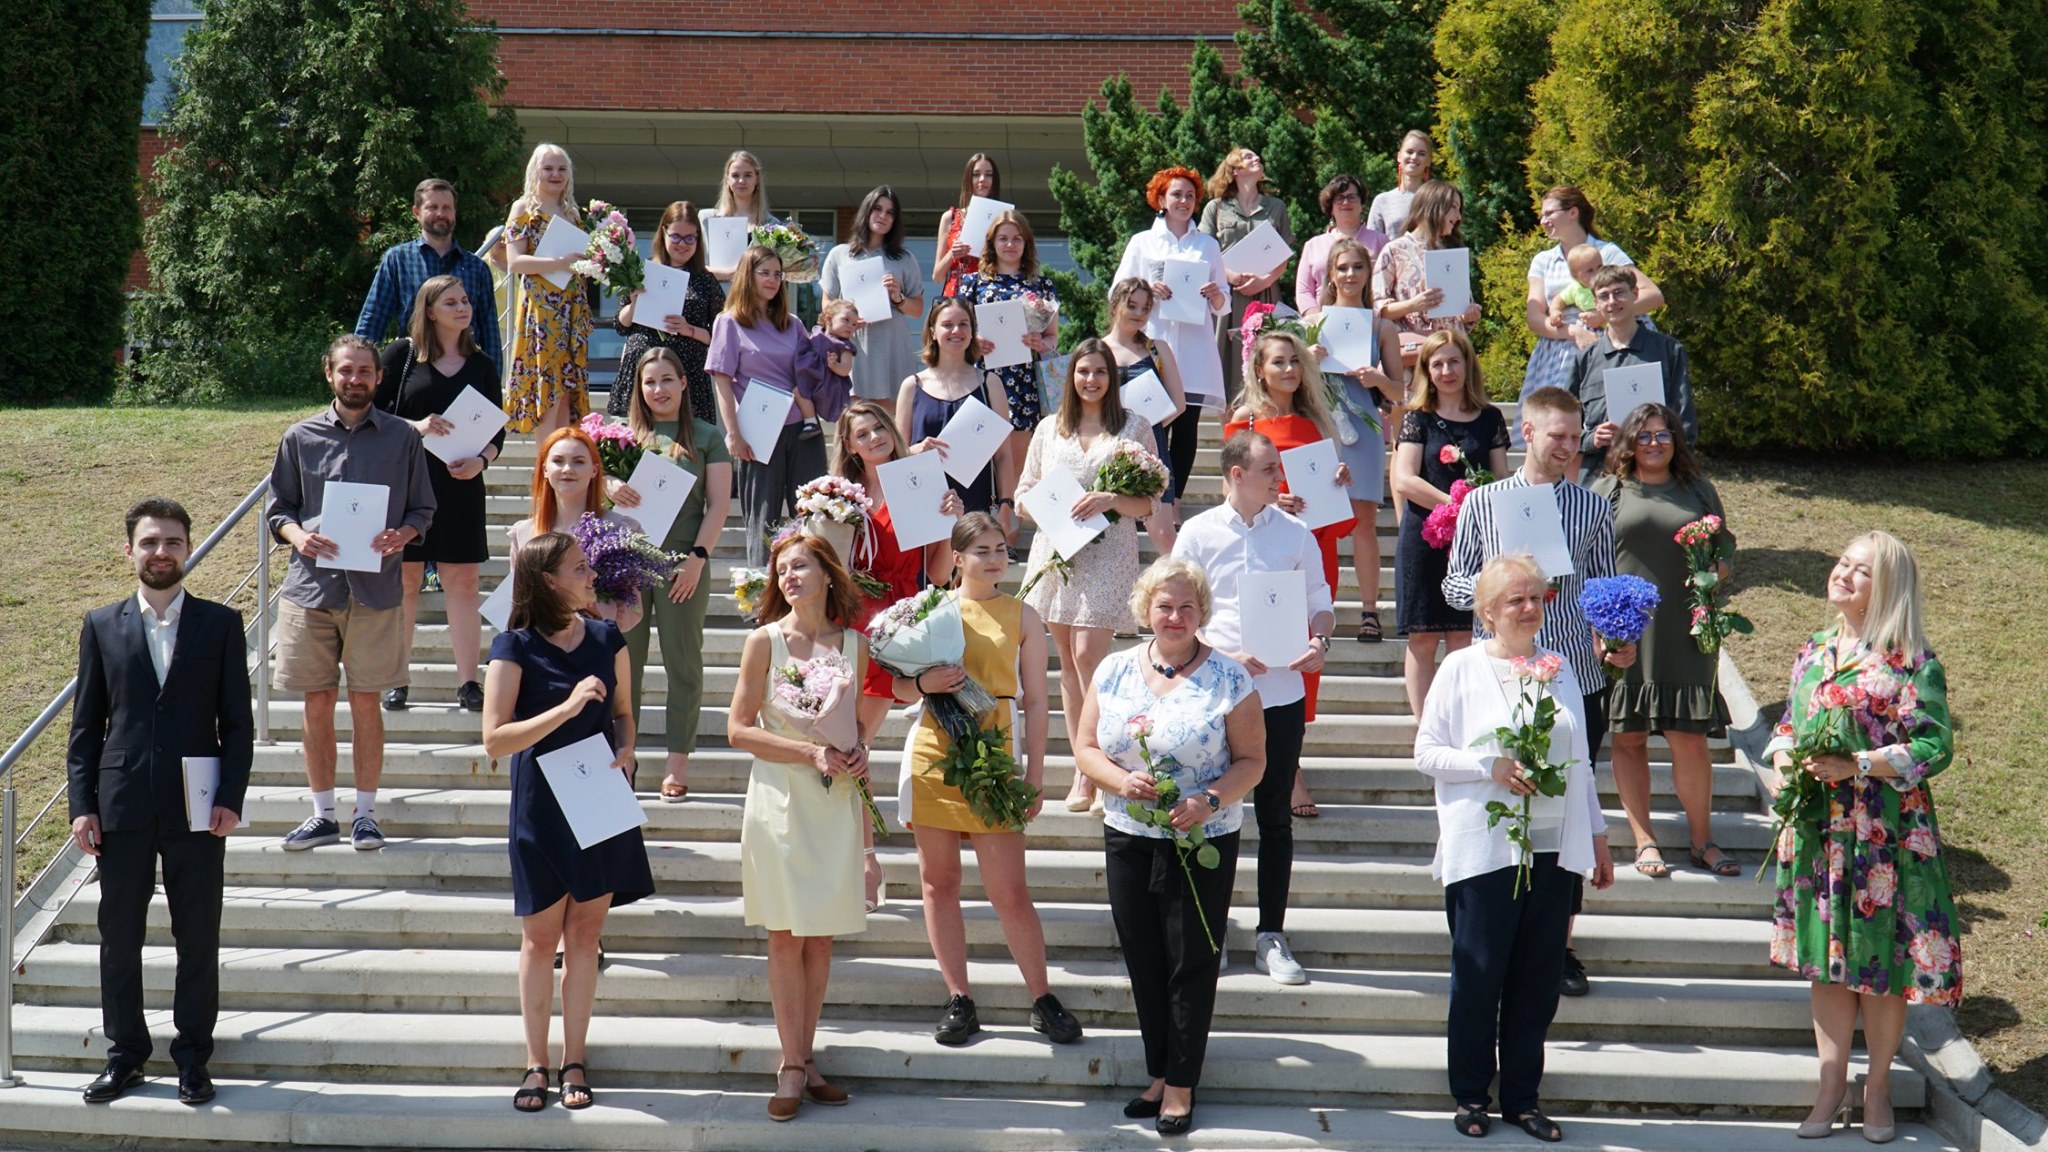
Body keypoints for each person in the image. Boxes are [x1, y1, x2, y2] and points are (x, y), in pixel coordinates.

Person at [1765, 532, 1958, 1143]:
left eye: (1862, 570)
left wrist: (1861, 764)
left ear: (1889, 587)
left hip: (1882, 835)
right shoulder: (1814, 649)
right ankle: (1831, 1087)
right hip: (1819, 830)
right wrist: (1782, 760)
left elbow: (1935, 745)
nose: (1844, 573)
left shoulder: (1911, 660)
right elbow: (1789, 723)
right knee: (1826, 966)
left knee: (1879, 965)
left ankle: (1876, 1089)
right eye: (1843, 563)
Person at [1415, 553, 1614, 1144]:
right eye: (1515, 599)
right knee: (1479, 978)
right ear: (1486, 612)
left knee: (1537, 982)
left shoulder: (1561, 669)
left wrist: (1598, 835)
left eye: (1536, 597)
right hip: (1486, 849)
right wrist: (1490, 766)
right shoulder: (1461, 668)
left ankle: (1523, 1099)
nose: (1529, 608)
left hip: (1553, 848)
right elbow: (1427, 751)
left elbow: (1580, 764)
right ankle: (1472, 1095)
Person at [1441, 386, 1631, 995]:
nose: (1570, 447)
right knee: (1502, 802)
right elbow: (1453, 584)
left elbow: (1602, 588)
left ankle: (1559, 946)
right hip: (1496, 681)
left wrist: (1616, 639)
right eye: (1558, 436)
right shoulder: (1483, 502)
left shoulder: (1591, 507)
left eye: (1576, 437)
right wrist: (1501, 589)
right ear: (1527, 433)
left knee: (1567, 809)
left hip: (1573, 677)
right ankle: (1490, 935)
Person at [1072, 556, 1266, 1136]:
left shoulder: (1231, 678)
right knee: (1144, 958)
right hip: (1128, 835)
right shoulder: (1113, 670)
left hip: (1201, 837)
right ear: (1145, 610)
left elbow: (1254, 761)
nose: (1175, 616)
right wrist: (1117, 781)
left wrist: (1209, 799)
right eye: (1164, 606)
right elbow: (1085, 747)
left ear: (1202, 612)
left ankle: (1181, 1084)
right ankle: (1158, 1071)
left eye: (1186, 606)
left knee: (1191, 960)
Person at [66, 498, 251, 1107]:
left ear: (188, 548)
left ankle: (193, 1059)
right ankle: (125, 1056)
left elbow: (238, 724)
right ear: (130, 551)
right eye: (149, 542)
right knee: (119, 938)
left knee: (197, 937)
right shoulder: (101, 625)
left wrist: (231, 797)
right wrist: (82, 804)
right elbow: (86, 727)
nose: (161, 552)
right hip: (121, 806)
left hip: (198, 806)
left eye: (172, 541)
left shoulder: (221, 624)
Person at [889, 513, 1080, 1049]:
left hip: (995, 753)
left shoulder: (1023, 614)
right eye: (983, 551)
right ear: (957, 558)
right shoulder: (931, 607)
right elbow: (897, 688)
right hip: (934, 751)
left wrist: (1036, 773)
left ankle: (1042, 997)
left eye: (1001, 550)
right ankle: (959, 999)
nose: (995, 559)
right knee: (938, 883)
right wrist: (924, 682)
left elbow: (1037, 701)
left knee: (1010, 891)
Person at [482, 531, 653, 1112]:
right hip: (541, 802)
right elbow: (495, 740)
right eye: (580, 568)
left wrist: (627, 749)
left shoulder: (607, 637)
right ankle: (536, 1063)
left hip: (598, 793)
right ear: (549, 580)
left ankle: (573, 1059)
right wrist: (568, 706)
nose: (591, 576)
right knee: (539, 940)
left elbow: (624, 713)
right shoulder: (513, 645)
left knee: (585, 936)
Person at [1171, 429, 1334, 986]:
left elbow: (1320, 603)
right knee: (1209, 812)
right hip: (1216, 694)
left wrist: (1320, 641)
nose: (1278, 478)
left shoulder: (1295, 533)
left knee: (1275, 819)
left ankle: (1271, 934)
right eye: (1268, 469)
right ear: (1236, 474)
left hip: (1281, 694)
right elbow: (1176, 610)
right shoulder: (1197, 533)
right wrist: (1220, 655)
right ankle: (1208, 931)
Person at [728, 531, 878, 1120]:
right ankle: (791, 1065)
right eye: (782, 570)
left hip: (835, 801)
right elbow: (738, 730)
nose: (789, 577)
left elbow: (856, 730)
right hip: (780, 798)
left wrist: (857, 754)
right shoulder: (763, 641)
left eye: (800, 566)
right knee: (786, 935)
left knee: (820, 937)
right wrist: (809, 753)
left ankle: (806, 1057)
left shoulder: (857, 646)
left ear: (827, 573)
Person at [266, 335, 435, 852]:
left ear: (379, 377)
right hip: (310, 590)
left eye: (364, 371)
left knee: (366, 703)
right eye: (346, 370)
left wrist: (402, 534)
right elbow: (279, 509)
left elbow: (423, 509)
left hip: (376, 590)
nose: (355, 379)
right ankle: (322, 815)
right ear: (329, 374)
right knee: (316, 703)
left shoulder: (403, 437)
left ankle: (365, 814)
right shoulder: (300, 436)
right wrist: (299, 536)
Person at [1589, 403, 1738, 877]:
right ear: (1629, 442)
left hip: (1685, 628)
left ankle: (1702, 841)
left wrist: (1714, 572)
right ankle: (1645, 840)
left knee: (1689, 738)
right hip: (1626, 628)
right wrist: (1600, 632)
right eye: (1644, 435)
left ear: (1676, 440)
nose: (1654, 443)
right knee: (1629, 736)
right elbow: (1588, 559)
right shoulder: (1608, 490)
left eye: (1663, 434)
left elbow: (1725, 551)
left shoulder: (1698, 490)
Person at [1013, 339, 1160, 811]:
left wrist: (1111, 500)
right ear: (1070, 377)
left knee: (1087, 657)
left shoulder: (1134, 426)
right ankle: (1085, 766)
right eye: (1083, 371)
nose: (1091, 380)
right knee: (1067, 663)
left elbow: (1149, 502)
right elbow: (1022, 492)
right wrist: (1044, 505)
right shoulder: (1048, 427)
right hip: (1056, 554)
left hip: (1108, 554)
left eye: (1100, 372)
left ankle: (1098, 763)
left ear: (1112, 378)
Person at [833, 400, 963, 907]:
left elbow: (939, 574)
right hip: (845, 622)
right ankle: (858, 857)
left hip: (894, 627)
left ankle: (865, 861)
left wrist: (950, 522)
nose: (874, 438)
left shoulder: (918, 483)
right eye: (862, 434)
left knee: (857, 743)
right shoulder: (838, 495)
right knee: (848, 742)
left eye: (879, 428)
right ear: (850, 447)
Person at [606, 349, 732, 802]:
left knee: (683, 664)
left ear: (683, 383)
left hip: (683, 564)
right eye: (649, 382)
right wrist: (608, 484)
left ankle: (677, 763)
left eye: (665, 380)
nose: (658, 389)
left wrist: (698, 558)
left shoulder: (707, 436)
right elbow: (590, 489)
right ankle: (626, 758)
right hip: (627, 565)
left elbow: (718, 504)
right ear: (638, 389)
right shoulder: (621, 436)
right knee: (626, 666)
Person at [375, 273, 504, 713]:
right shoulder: (401, 355)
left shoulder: (482, 364)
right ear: (429, 311)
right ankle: (396, 678)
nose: (462, 307)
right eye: (451, 302)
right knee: (406, 581)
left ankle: (469, 683)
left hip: (461, 485)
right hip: (408, 485)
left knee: (463, 582)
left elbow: (497, 431)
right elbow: (372, 415)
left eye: (465, 300)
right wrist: (417, 426)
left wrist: (482, 461)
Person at [708, 245, 855, 566]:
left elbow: (814, 367)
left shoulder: (793, 323)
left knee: (814, 518)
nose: (773, 280)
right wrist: (733, 433)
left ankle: (815, 589)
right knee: (764, 522)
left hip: (803, 430)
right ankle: (761, 591)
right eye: (765, 273)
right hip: (758, 434)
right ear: (747, 276)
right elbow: (722, 381)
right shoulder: (729, 323)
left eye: (778, 274)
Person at [1390, 330, 1509, 718]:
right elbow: (1404, 479)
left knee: (1464, 637)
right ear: (1426, 371)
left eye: (1453, 361)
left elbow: (1501, 479)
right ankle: (1425, 727)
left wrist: (1473, 514)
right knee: (1423, 638)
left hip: (1473, 543)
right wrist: (1456, 504)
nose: (1446, 371)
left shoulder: (1490, 418)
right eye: (1437, 364)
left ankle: (1461, 723)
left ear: (1467, 364)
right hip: (1424, 538)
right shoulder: (1417, 418)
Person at [1309, 237, 1407, 644]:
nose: (1350, 275)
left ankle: (1370, 612)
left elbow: (1400, 392)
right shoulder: (1314, 322)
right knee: (1316, 523)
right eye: (1343, 267)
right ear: (1331, 275)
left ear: (1368, 273)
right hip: (1320, 426)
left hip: (1363, 428)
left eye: (1358, 267)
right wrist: (1308, 358)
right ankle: (1316, 612)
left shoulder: (1382, 326)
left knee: (1363, 523)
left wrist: (1377, 379)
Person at [1114, 167, 1230, 506]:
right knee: (1150, 422)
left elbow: (1224, 303)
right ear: (1161, 200)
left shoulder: (1208, 245)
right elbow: (1117, 291)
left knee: (1187, 424)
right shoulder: (1142, 242)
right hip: (1153, 343)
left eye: (1190, 195)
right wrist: (1146, 289)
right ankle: (1145, 498)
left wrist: (1215, 294)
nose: (1184, 201)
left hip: (1194, 348)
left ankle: (1173, 501)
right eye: (1176, 194)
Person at [1520, 186, 1666, 403]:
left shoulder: (1606, 252)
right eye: (1542, 215)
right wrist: (1574, 332)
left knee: (1620, 408)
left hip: (1613, 343)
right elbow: (1534, 318)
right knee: (1559, 414)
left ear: (1573, 212)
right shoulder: (1543, 260)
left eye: (1549, 213)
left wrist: (1605, 315)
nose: (1543, 221)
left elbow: (1653, 295)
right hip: (1560, 351)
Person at [955, 210, 1059, 505]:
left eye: (1017, 238)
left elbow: (1053, 338)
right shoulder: (973, 283)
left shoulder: (1042, 286)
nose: (1010, 244)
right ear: (991, 243)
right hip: (982, 379)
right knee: (975, 458)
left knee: (1016, 462)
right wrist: (973, 341)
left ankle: (1008, 525)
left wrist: (1041, 343)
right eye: (1003, 238)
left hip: (1024, 382)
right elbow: (956, 327)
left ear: (1026, 243)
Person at [355, 177, 503, 375]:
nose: (441, 214)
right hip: (414, 372)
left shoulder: (476, 267)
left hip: (464, 373)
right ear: (416, 212)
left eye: (447, 208)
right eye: (432, 207)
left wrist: (492, 382)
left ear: (454, 212)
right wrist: (360, 370)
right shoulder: (398, 260)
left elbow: (489, 333)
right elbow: (373, 321)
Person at [501, 143, 595, 439]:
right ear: (535, 172)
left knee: (566, 391)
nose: (556, 174)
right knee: (547, 391)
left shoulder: (573, 213)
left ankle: (562, 456)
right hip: (542, 311)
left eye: (561, 169)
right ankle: (544, 461)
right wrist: (559, 263)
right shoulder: (523, 209)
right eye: (548, 168)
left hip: (571, 308)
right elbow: (515, 262)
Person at [1569, 266, 1696, 481]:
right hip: (1599, 477)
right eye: (1604, 296)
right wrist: (1591, 439)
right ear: (1596, 303)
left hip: (1657, 476)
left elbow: (1685, 420)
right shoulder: (1586, 359)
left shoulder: (1668, 351)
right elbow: (1566, 422)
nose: (1612, 301)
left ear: (1635, 294)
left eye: (1619, 292)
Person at [895, 297, 1014, 524]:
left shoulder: (990, 383)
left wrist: (1007, 505)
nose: (956, 331)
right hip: (924, 507)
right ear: (933, 332)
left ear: (972, 332)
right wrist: (917, 449)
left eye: (963, 324)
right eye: (947, 325)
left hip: (977, 510)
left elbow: (1003, 456)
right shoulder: (911, 386)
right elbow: (896, 455)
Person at [606, 200, 725, 426]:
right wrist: (634, 305)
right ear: (663, 233)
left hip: (687, 375)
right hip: (643, 368)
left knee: (686, 440)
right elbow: (621, 325)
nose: (683, 244)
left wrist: (689, 330)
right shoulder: (642, 271)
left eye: (690, 238)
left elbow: (722, 335)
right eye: (676, 237)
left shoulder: (705, 281)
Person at [820, 185, 927, 416]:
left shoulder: (904, 259)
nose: (883, 216)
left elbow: (918, 309)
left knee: (894, 412)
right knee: (853, 412)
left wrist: (898, 297)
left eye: (890, 212)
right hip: (853, 342)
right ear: (866, 212)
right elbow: (827, 303)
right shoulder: (840, 254)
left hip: (891, 342)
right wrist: (845, 319)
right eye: (877, 209)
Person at [1199, 146, 1295, 402]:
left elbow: (1284, 254)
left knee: (1267, 359)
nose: (1257, 159)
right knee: (1225, 369)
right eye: (1249, 157)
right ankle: (1229, 426)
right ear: (1234, 169)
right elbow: (1203, 250)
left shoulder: (1276, 206)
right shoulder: (1215, 208)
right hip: (1226, 299)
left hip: (1265, 296)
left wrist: (1265, 280)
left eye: (1257, 156)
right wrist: (1229, 276)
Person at [1100, 277, 1188, 550]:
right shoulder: (1097, 349)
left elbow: (1179, 404)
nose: (1139, 313)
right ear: (1115, 305)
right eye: (1132, 305)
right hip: (1105, 449)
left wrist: (1147, 429)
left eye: (1145, 308)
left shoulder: (1157, 348)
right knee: (1109, 537)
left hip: (1152, 450)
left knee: (1165, 537)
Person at [1373, 180, 1483, 356]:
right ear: (1434, 206)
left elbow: (1461, 310)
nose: (1458, 216)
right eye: (1453, 207)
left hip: (1452, 355)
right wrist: (1412, 305)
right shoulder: (1394, 251)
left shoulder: (1452, 253)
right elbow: (1377, 310)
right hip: (1413, 356)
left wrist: (1469, 314)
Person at [1295, 173, 1390, 315]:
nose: (1346, 202)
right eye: (1339, 198)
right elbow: (1303, 291)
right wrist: (1317, 319)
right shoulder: (1313, 245)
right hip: (1321, 319)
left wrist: (1375, 318)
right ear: (1331, 206)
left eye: (1352, 197)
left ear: (1361, 204)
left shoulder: (1381, 242)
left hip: (1370, 318)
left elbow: (1390, 285)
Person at [700, 150, 781, 284]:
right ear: (727, 180)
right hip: (717, 295)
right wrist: (731, 273)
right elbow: (696, 268)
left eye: (748, 175)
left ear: (757, 179)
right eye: (735, 175)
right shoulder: (706, 219)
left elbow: (775, 271)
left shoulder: (772, 225)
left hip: (755, 296)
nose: (741, 181)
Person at [934, 152, 999, 296]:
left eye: (989, 175)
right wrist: (952, 254)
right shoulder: (950, 218)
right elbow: (937, 276)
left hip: (986, 295)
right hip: (955, 298)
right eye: (976, 174)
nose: (982, 179)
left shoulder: (1001, 218)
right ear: (968, 178)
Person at [1367, 130, 1435, 237]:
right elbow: (1372, 243)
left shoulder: (1436, 199)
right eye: (1409, 152)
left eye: (1421, 154)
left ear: (1429, 161)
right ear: (1399, 156)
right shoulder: (1383, 201)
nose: (1414, 157)